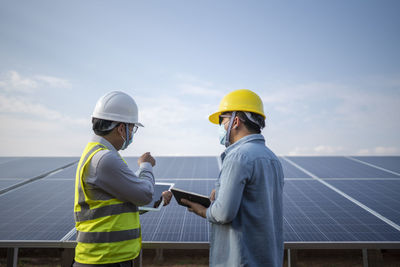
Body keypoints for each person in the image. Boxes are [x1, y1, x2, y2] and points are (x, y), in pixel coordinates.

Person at [182, 89, 284, 267]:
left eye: (222, 121)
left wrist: (202, 210)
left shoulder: (238, 156)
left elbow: (223, 213)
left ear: (235, 121)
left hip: (241, 260)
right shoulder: (272, 158)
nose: (221, 127)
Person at [73, 91, 172, 266]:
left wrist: (159, 199)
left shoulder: (96, 154)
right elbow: (144, 195)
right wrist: (146, 165)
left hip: (104, 257)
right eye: (132, 128)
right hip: (104, 258)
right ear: (121, 128)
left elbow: (122, 204)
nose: (132, 134)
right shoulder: (105, 159)